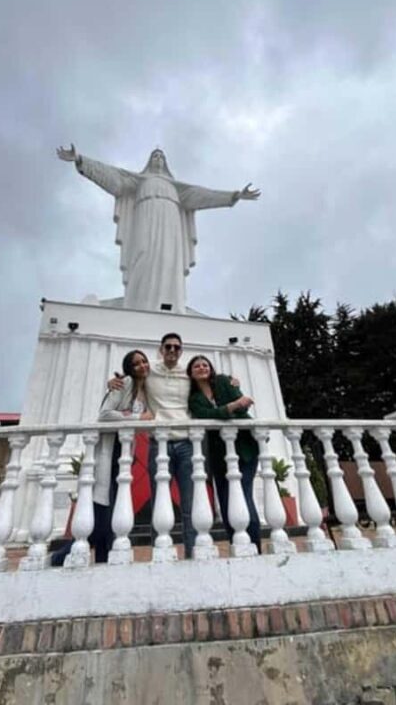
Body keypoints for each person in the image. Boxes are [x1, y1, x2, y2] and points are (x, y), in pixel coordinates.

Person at [56, 145, 260, 314]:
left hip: (170, 221)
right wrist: (80, 160)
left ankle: (170, 305)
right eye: (155, 155)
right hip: (145, 217)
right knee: (143, 254)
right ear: (149, 161)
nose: (158, 158)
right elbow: (112, 178)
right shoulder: (137, 181)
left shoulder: (178, 188)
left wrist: (234, 196)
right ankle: (139, 304)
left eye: (161, 156)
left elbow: (203, 195)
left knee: (168, 258)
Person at [51, 350, 153, 566]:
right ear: (129, 369)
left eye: (144, 361)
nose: (142, 365)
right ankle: (61, 557)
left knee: (114, 508)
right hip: (110, 449)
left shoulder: (147, 389)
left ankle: (101, 561)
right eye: (136, 364)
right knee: (103, 511)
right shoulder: (124, 383)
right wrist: (136, 417)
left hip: (125, 451)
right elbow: (104, 414)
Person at [108, 332, 197, 558]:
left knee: (190, 503)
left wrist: (231, 382)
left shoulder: (188, 374)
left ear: (181, 351)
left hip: (187, 442)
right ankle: (161, 553)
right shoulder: (150, 371)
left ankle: (194, 553)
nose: (172, 351)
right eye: (168, 347)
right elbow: (132, 377)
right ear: (161, 349)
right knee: (159, 500)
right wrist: (113, 382)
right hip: (160, 443)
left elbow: (210, 380)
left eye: (177, 347)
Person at [187, 354, 261, 553]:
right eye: (196, 366)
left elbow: (241, 403)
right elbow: (206, 414)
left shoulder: (223, 381)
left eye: (205, 364)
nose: (202, 368)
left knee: (244, 497)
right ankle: (236, 544)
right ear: (191, 373)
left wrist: (235, 405)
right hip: (219, 454)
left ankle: (255, 548)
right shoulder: (193, 398)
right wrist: (233, 406)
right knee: (226, 501)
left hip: (245, 449)